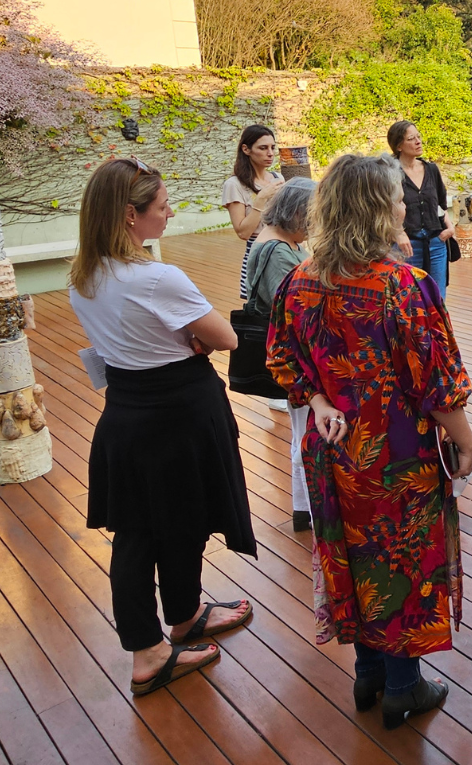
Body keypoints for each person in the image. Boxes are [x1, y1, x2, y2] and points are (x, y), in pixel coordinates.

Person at [266, 153, 472, 730]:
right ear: (378, 209)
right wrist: (465, 441)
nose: (406, 203)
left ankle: (368, 673)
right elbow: (437, 386)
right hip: (395, 453)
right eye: (397, 197)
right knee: (400, 557)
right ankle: (403, 686)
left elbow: (281, 358)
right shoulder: (405, 287)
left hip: (333, 450)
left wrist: (317, 401)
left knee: (351, 552)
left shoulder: (301, 281)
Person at [68, 157, 256, 697]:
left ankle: (184, 614)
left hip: (127, 411)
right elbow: (228, 338)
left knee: (154, 524)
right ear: (131, 215)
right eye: (162, 207)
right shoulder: (156, 277)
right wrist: (195, 338)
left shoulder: (86, 277)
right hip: (178, 411)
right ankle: (148, 653)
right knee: (151, 529)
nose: (170, 213)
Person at [243, 177, 316, 532]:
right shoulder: (278, 250)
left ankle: (306, 506)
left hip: (294, 357)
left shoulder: (276, 241)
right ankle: (309, 507)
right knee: (305, 431)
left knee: (301, 430)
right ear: (298, 213)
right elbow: (292, 310)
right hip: (297, 359)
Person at [221, 124, 287, 410]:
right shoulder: (235, 184)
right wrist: (260, 201)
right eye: (263, 147)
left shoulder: (278, 177)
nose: (270, 153)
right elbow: (243, 231)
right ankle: (270, 386)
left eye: (272, 147)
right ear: (246, 149)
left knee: (288, 319)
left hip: (284, 251)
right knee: (265, 324)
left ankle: (287, 382)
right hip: (258, 254)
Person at [388, 120, 456, 294]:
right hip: (406, 247)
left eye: (418, 137)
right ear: (399, 146)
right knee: (409, 299)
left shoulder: (431, 169)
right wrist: (398, 233)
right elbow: (383, 209)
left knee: (438, 298)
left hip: (437, 243)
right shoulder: (389, 174)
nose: (418, 141)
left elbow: (441, 204)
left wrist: (449, 227)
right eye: (411, 138)